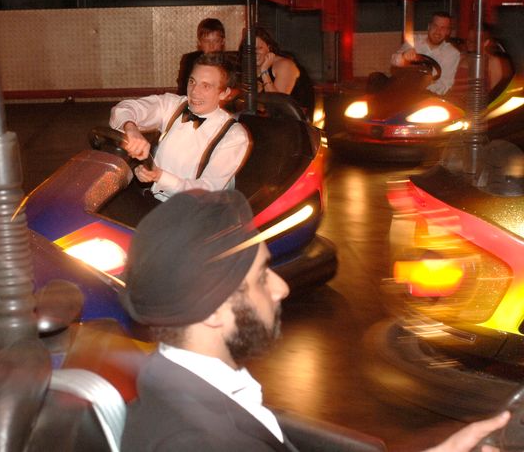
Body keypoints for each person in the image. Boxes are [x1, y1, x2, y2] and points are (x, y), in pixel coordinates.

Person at [119, 188, 511, 451]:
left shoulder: (174, 384)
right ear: (213, 311)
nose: (281, 288)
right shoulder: (203, 440)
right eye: (260, 277)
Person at [110, 53, 250, 202]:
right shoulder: (173, 105)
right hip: (151, 201)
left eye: (206, 86)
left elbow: (207, 190)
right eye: (192, 82)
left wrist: (159, 176)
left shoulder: (234, 136)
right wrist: (131, 128)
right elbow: (122, 110)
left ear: (224, 93)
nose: (195, 91)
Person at [391, 11, 461, 95]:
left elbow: (444, 84)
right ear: (429, 26)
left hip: (428, 96)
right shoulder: (414, 41)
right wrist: (403, 56)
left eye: (443, 28)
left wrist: (422, 89)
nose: (438, 31)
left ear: (448, 32)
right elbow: (394, 62)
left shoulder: (452, 53)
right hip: (403, 90)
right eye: (435, 26)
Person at [252, 27, 315, 117]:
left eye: (259, 48)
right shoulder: (251, 68)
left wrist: (264, 72)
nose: (255, 52)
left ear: (269, 48)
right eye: (251, 49)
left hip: (295, 124)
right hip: (271, 122)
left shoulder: (284, 65)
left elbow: (277, 105)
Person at [450, 24, 513, 106]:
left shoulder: (492, 61)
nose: (469, 42)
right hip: (453, 104)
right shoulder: (461, 57)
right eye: (468, 39)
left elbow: (495, 92)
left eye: (475, 40)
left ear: (486, 43)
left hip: (475, 107)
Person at [177, 18, 227, 95]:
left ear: (223, 41)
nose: (211, 46)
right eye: (207, 41)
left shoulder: (231, 63)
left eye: (216, 41)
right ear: (199, 43)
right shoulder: (189, 60)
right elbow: (183, 91)